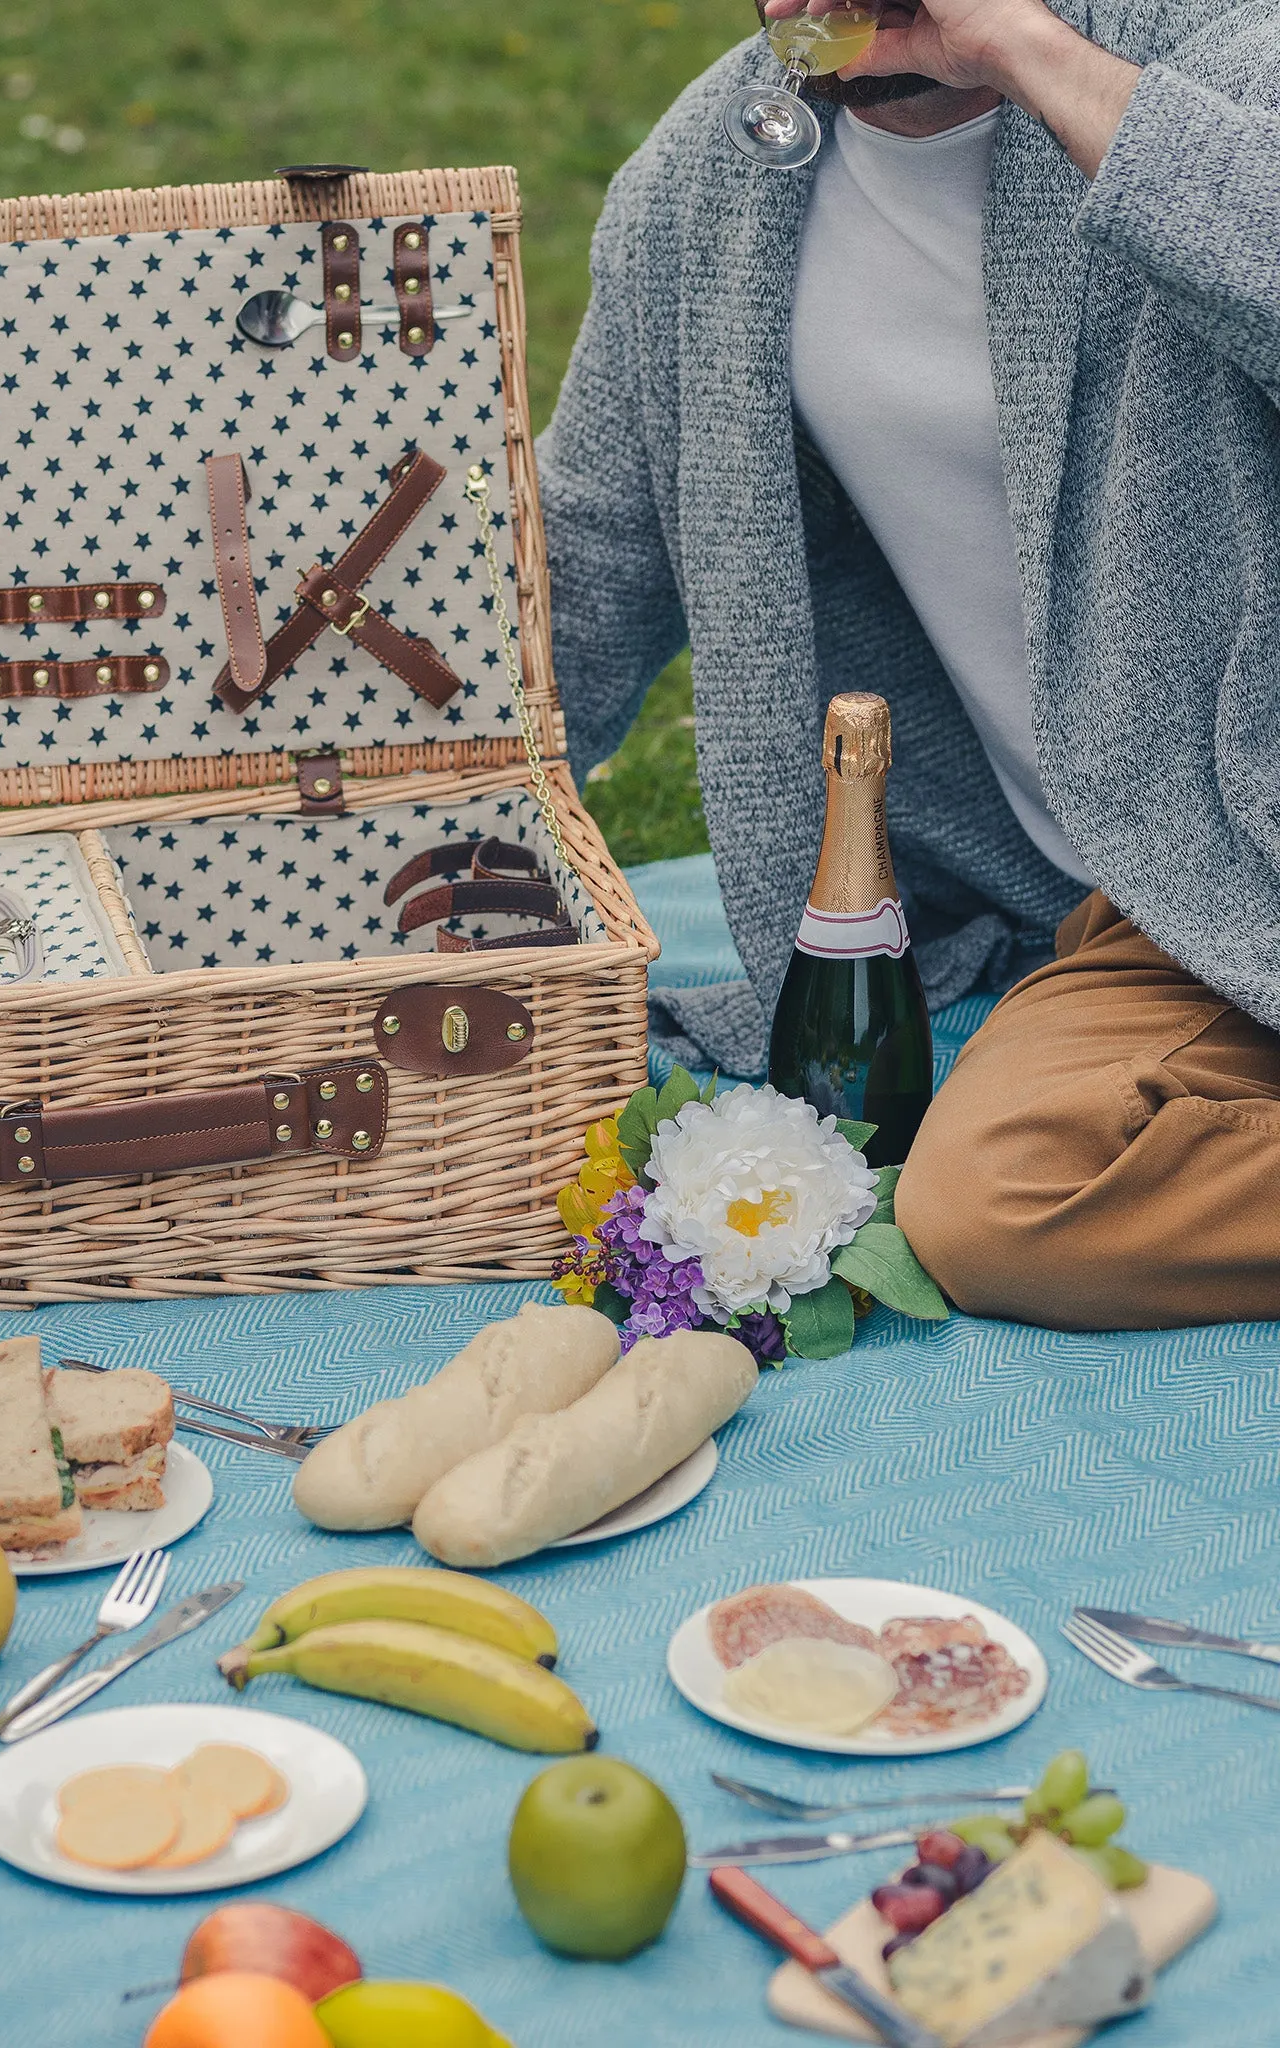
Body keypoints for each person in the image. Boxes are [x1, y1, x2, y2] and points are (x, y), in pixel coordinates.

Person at [539, 0, 1280, 1330]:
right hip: (1170, 890)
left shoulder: (1218, 64)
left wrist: (1031, 60)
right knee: (989, 1205)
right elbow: (586, 567)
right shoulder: (709, 186)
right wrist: (393, 848)